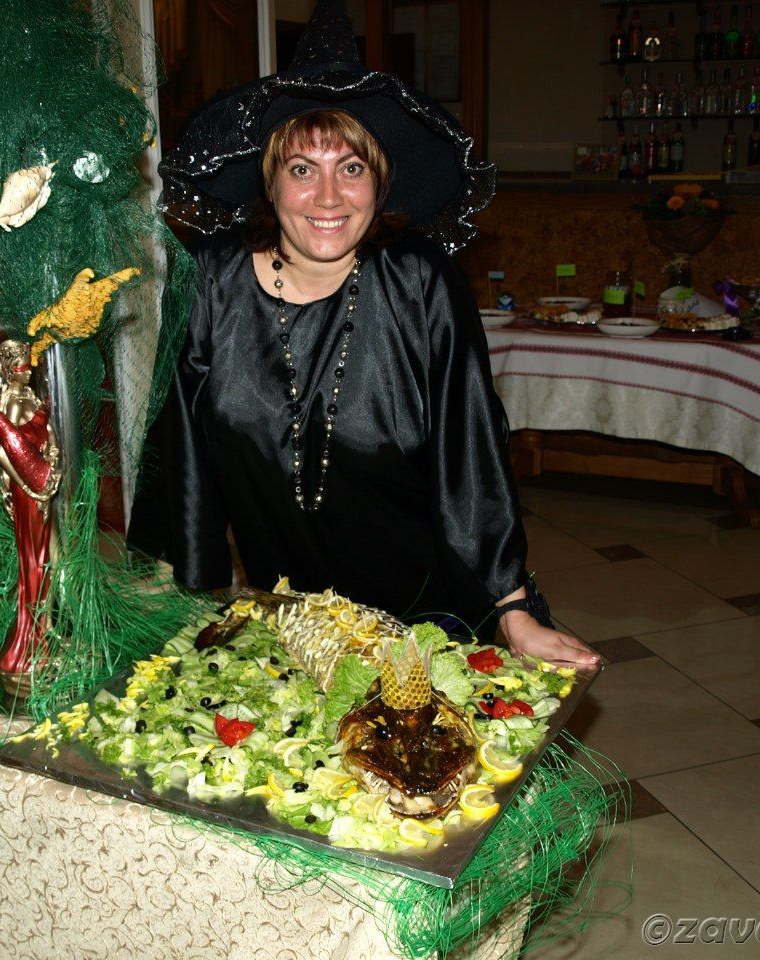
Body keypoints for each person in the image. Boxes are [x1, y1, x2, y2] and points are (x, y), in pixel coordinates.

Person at [130, 0, 598, 667]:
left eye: (351, 168)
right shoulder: (210, 282)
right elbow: (179, 449)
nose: (329, 198)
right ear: (270, 184)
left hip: (427, 618)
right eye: (302, 169)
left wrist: (512, 610)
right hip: (289, 622)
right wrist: (176, 588)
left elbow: (471, 451)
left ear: (380, 184)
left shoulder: (421, 284)